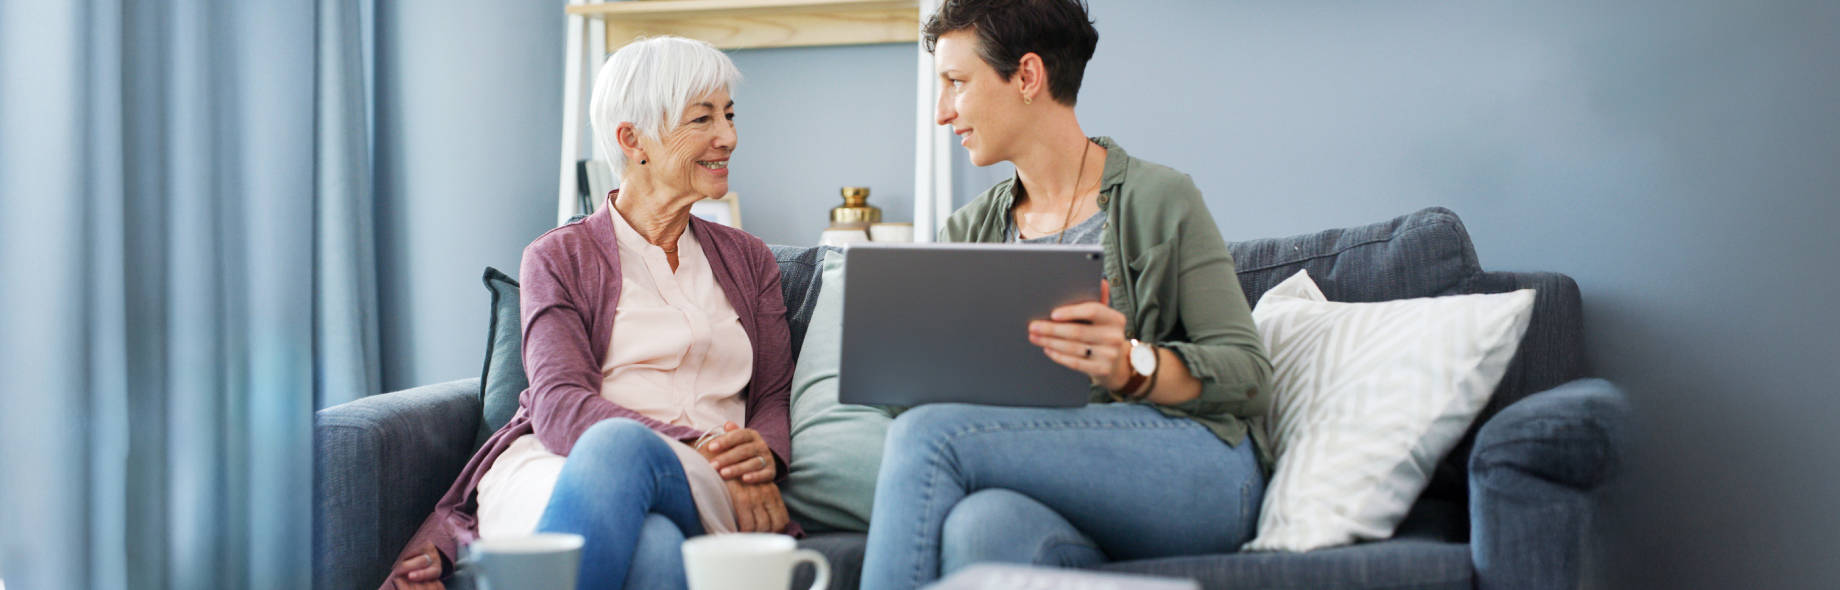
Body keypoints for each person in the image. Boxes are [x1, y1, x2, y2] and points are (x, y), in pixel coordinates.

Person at [857, 1, 1274, 588]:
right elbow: (928, 405)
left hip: (1193, 472)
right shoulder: (968, 230)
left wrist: (1128, 365)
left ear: (1027, 76)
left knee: (927, 438)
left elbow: (1249, 375)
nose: (942, 112)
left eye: (957, 83)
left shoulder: (1161, 199)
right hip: (1048, 482)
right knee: (980, 527)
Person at [385, 36, 798, 590]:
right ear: (632, 140)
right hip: (563, 466)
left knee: (624, 457)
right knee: (652, 543)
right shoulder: (559, 257)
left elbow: (772, 394)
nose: (728, 136)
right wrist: (695, 442)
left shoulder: (749, 259)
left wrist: (760, 456)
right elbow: (559, 405)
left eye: (728, 115)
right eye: (703, 119)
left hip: (705, 478)